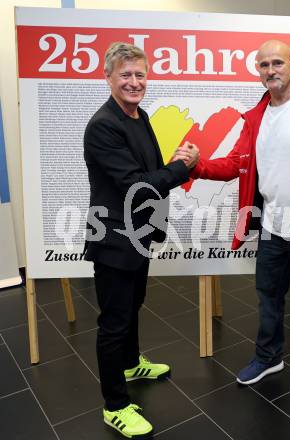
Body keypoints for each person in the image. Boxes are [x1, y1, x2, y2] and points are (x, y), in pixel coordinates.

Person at [179, 39, 290, 404]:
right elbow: (234, 165)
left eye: (277, 62)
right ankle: (268, 357)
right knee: (269, 299)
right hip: (273, 229)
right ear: (257, 70)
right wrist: (198, 164)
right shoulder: (256, 118)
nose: (271, 70)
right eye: (264, 65)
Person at [83, 42, 199, 438]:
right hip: (114, 237)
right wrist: (181, 169)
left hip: (139, 234)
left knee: (134, 304)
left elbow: (147, 167)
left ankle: (131, 364)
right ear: (109, 78)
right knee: (113, 322)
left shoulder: (139, 115)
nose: (134, 82)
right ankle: (115, 405)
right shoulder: (103, 125)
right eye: (125, 75)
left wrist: (175, 159)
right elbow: (135, 185)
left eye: (140, 74)